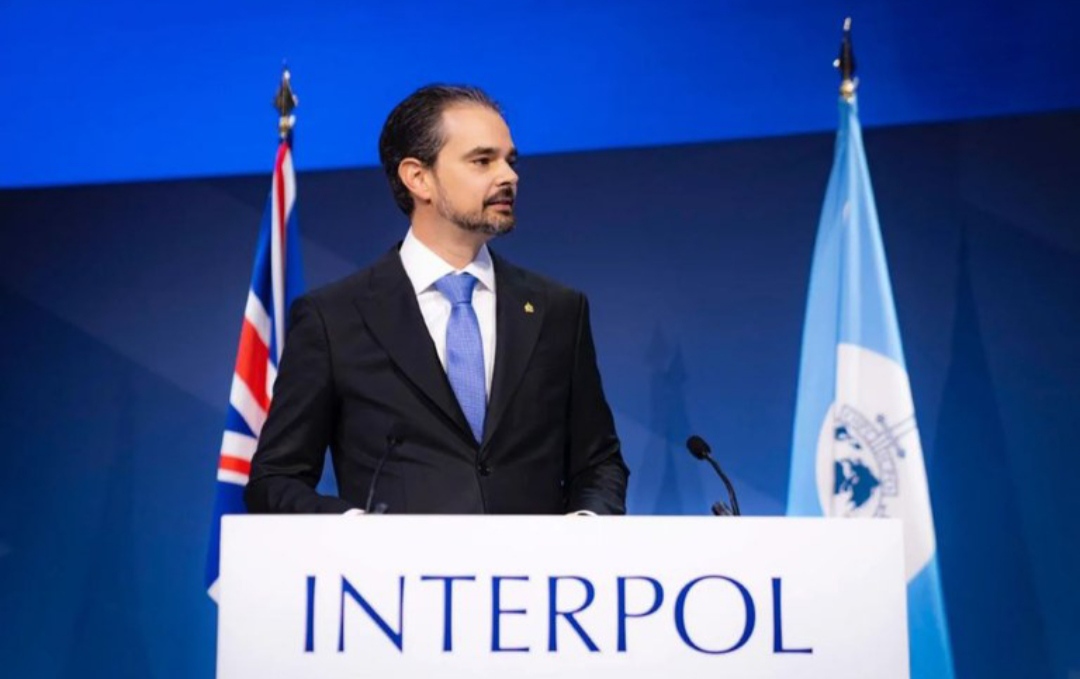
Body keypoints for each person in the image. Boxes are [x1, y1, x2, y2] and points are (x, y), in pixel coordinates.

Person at [244, 84, 628, 515]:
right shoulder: (333, 319)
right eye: (482, 160)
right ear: (418, 178)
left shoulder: (558, 310)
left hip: (535, 560)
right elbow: (275, 479)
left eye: (510, 160)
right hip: (391, 560)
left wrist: (586, 529)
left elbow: (598, 462)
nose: (509, 176)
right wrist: (355, 530)